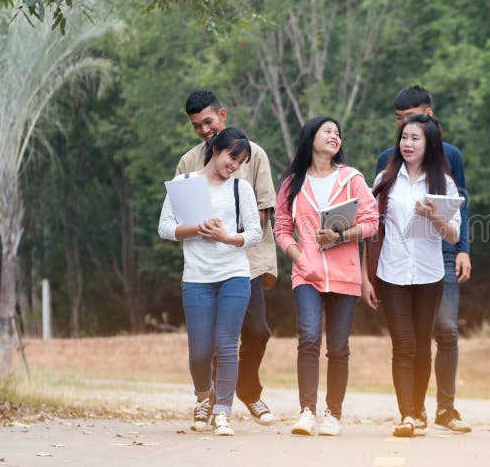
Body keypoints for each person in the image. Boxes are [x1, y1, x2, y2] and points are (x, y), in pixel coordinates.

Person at [175, 90, 278, 427]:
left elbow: (264, 209)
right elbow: (179, 217)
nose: (204, 129)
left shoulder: (255, 154)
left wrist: (231, 235)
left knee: (258, 330)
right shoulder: (188, 162)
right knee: (213, 340)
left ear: (222, 113)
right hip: (205, 267)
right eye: (197, 126)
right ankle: (213, 401)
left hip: (246, 260)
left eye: (208, 121)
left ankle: (247, 389)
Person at [375, 86, 472, 433]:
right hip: (392, 271)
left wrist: (434, 217)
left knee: (421, 344)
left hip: (430, 273)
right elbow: (374, 228)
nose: (407, 143)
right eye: (404, 136)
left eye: (415, 137)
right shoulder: (385, 178)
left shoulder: (443, 182)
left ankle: (420, 409)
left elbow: (452, 234)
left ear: (428, 143)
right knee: (402, 345)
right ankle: (407, 414)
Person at [274, 116, 378, 436]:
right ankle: (306, 412)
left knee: (338, 347)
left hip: (345, 276)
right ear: (311, 137)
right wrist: (299, 257)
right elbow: (281, 229)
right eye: (327, 131)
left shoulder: (352, 178)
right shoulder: (292, 183)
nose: (334, 136)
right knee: (308, 338)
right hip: (306, 274)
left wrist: (340, 236)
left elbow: (372, 222)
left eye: (337, 133)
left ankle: (333, 414)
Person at [158, 127, 263, 436]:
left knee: (227, 345)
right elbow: (165, 227)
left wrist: (227, 237)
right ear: (216, 149)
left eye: (241, 160)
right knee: (200, 350)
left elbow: (255, 233)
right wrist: (195, 230)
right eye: (232, 156)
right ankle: (204, 395)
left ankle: (222, 412)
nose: (235, 165)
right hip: (197, 277)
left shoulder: (240, 188)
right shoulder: (184, 185)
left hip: (234, 274)